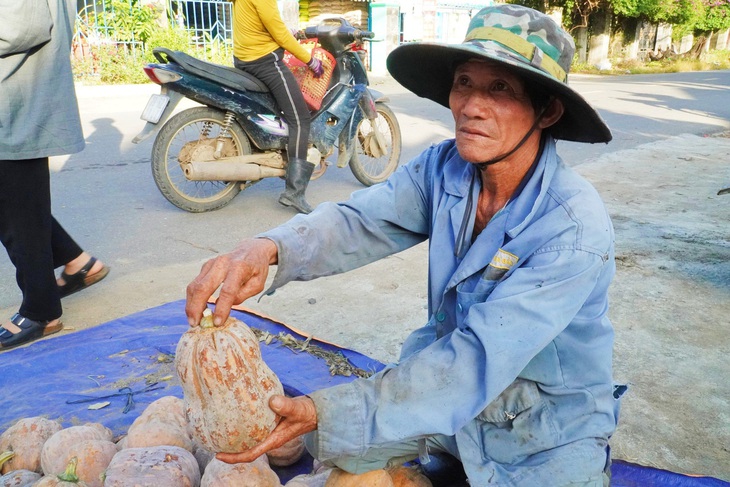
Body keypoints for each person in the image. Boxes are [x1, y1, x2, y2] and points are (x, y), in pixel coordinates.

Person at [186, 5, 621, 485]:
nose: (471, 106)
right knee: (326, 449)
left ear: (548, 110)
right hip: (438, 398)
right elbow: (360, 221)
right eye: (464, 83)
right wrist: (268, 248)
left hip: (542, 429)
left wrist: (328, 409)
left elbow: (477, 359)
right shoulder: (445, 167)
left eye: (500, 88)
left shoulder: (573, 229)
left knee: (334, 421)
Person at [0, 0, 109, 351]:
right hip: (21, 91)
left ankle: (42, 311)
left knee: (18, 210)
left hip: (19, 96)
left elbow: (21, 23)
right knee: (17, 203)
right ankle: (78, 262)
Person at [231, 0, 325, 214]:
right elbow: (280, 36)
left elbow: (267, 25)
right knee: (300, 119)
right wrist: (310, 60)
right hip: (264, 61)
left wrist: (287, 32)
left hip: (244, 57)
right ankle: (294, 193)